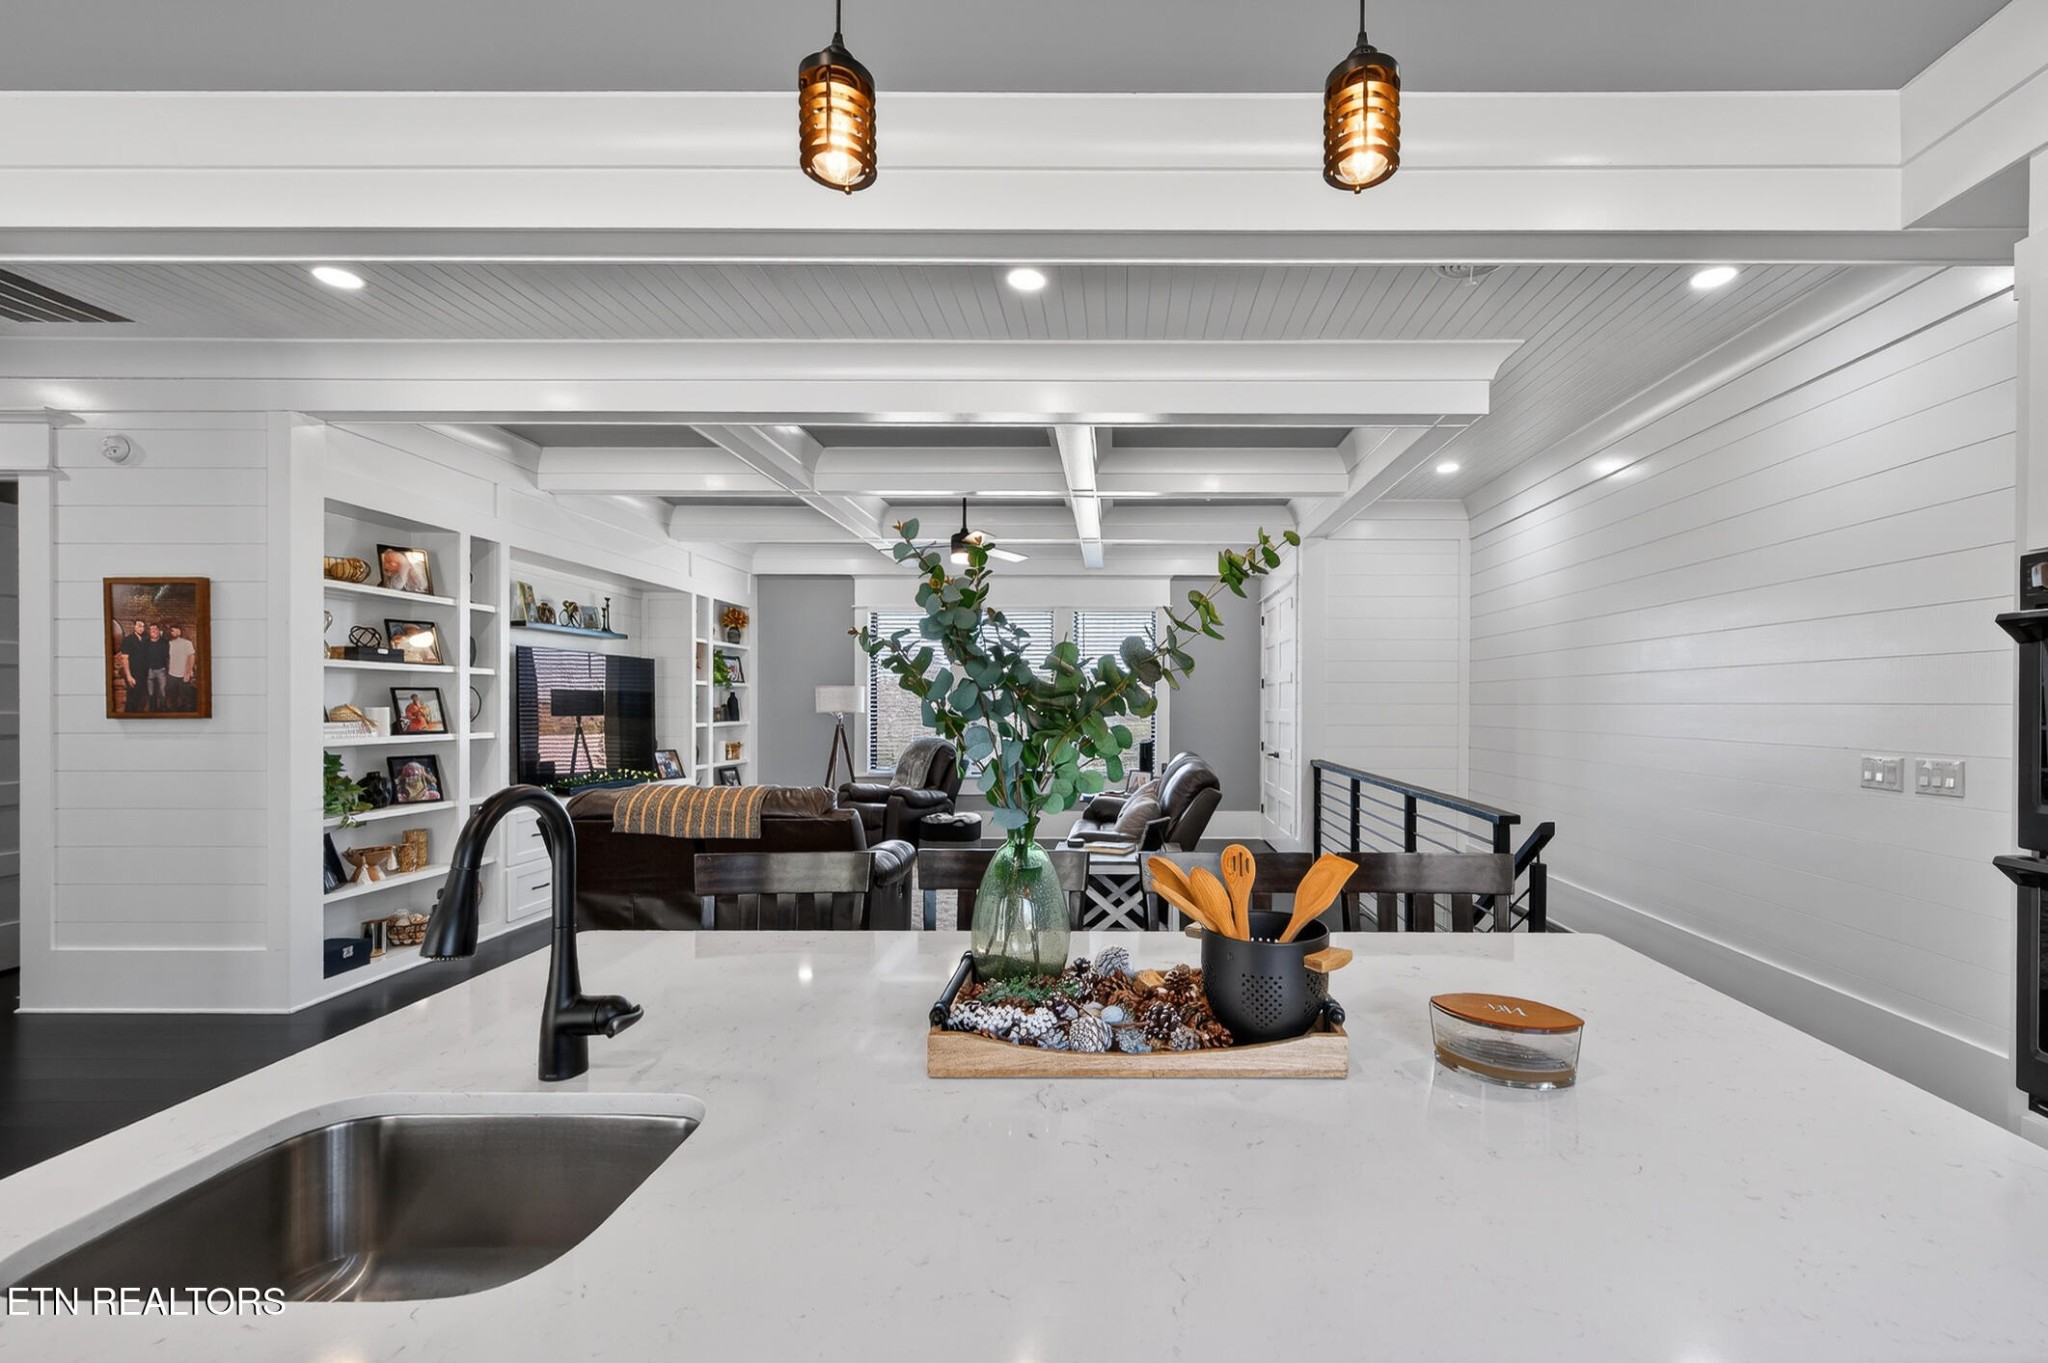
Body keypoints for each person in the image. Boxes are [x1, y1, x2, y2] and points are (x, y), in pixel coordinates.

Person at [118, 619, 148, 714]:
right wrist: (129, 676)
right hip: (133, 673)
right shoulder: (128, 640)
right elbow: (125, 658)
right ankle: (129, 717)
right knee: (131, 699)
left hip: (143, 674)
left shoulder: (145, 639)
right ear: (134, 626)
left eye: (142, 626)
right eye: (138, 625)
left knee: (140, 699)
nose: (140, 628)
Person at [166, 624, 196, 711]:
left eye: (174, 630)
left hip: (184, 675)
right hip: (172, 675)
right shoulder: (169, 643)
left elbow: (191, 657)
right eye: (171, 630)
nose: (172, 632)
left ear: (179, 631)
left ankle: (188, 714)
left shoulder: (187, 643)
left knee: (187, 698)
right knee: (173, 697)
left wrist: (187, 673)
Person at [143, 624, 171, 712]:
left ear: (159, 631)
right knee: (150, 693)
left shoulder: (165, 642)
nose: (153, 631)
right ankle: (152, 709)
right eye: (151, 629)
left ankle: (162, 709)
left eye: (155, 629)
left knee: (162, 692)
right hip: (149, 671)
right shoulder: (145, 642)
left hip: (161, 671)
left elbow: (168, 656)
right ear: (149, 632)